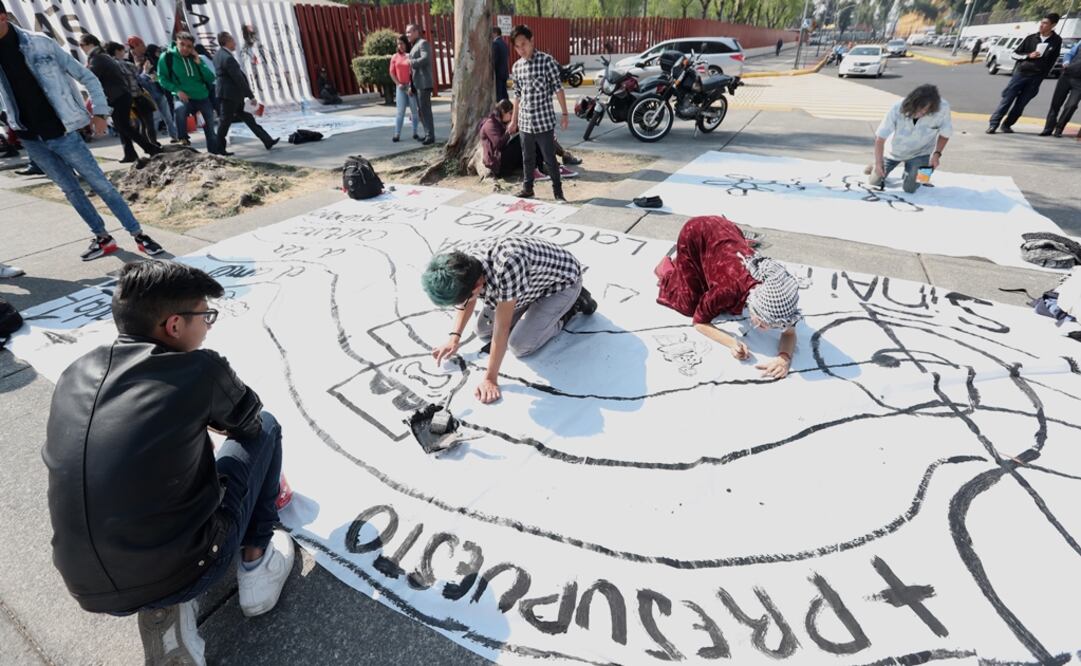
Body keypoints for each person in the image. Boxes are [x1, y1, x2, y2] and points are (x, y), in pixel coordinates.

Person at [43, 260, 294, 665]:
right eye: (205, 315)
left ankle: (163, 610)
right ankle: (257, 560)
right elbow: (248, 422)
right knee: (266, 430)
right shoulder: (199, 367)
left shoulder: (76, 371)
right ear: (174, 325)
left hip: (85, 584)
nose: (209, 325)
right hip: (190, 565)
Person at [0, 5, 165, 260]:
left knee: (101, 184)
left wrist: (100, 113)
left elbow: (86, 76)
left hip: (62, 131)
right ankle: (102, 237)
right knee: (71, 190)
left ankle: (138, 234)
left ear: (2, 17)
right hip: (30, 138)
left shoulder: (39, 43)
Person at [423, 236, 597, 404]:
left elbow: (502, 328)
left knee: (519, 345)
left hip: (561, 284)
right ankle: (535, 309)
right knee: (482, 330)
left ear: (476, 287)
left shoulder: (507, 266)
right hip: (530, 283)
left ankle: (573, 304)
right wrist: (454, 337)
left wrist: (490, 379)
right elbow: (470, 302)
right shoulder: (461, 265)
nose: (462, 305)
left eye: (465, 299)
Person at [655, 216, 801, 380]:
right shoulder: (728, 289)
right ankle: (668, 269)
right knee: (687, 304)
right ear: (754, 304)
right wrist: (731, 342)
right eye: (763, 323)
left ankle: (694, 263)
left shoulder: (781, 295)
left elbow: (789, 333)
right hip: (698, 231)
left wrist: (784, 358)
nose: (765, 329)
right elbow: (699, 322)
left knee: (706, 282)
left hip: (726, 233)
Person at [508, 25, 569, 202]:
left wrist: (565, 114)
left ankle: (558, 192)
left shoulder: (546, 61)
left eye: (524, 44)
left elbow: (558, 88)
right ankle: (528, 188)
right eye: (517, 47)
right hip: (525, 122)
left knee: (550, 159)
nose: (521, 49)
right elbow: (517, 95)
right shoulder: (517, 67)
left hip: (544, 121)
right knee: (527, 158)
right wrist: (513, 121)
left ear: (532, 40)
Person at [79, 35, 161, 163]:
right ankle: (130, 153)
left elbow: (89, 77)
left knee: (124, 126)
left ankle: (150, 148)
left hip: (118, 96)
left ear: (90, 44)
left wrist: (82, 71)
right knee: (122, 126)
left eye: (82, 45)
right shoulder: (101, 56)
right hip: (119, 96)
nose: (81, 48)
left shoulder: (97, 58)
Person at [987, 13, 1062, 134]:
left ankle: (1007, 124)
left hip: (1036, 78)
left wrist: (1043, 74)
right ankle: (993, 124)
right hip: (1021, 74)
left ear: (1053, 25)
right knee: (1007, 100)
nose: (1041, 25)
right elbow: (1014, 54)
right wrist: (1028, 55)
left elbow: (1053, 59)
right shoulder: (1031, 38)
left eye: (1045, 23)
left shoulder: (1056, 41)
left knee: (1021, 104)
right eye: (1041, 22)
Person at [869, 84, 951, 194]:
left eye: (925, 112)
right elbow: (880, 138)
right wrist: (879, 162)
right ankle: (874, 165)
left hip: (921, 152)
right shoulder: (898, 107)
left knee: (911, 188)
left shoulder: (943, 108)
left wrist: (936, 155)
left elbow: (945, 134)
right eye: (918, 110)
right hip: (893, 151)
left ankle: (917, 174)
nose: (920, 114)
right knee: (874, 182)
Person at [478, 99, 579, 180]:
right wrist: (509, 132)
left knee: (535, 134)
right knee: (523, 137)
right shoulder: (491, 123)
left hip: (506, 159)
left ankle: (548, 167)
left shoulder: (501, 121)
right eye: (511, 113)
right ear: (503, 112)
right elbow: (498, 144)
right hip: (499, 165)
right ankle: (537, 169)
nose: (512, 117)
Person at [158, 32, 224, 154]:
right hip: (183, 97)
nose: (185, 48)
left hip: (202, 97)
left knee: (210, 129)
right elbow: (162, 78)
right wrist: (177, 90)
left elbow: (210, 78)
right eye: (182, 44)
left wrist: (199, 62)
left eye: (189, 46)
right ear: (176, 43)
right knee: (180, 110)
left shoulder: (196, 58)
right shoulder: (167, 57)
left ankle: (215, 154)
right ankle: (182, 139)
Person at [214, 31, 278, 151]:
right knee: (224, 123)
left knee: (249, 119)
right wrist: (250, 96)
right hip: (229, 96)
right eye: (233, 41)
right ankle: (219, 149)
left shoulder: (218, 54)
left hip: (233, 95)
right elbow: (238, 78)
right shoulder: (227, 58)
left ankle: (267, 140)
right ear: (227, 42)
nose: (235, 43)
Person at [106, 41, 160, 153]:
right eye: (123, 51)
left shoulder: (109, 64)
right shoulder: (124, 64)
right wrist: (143, 69)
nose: (125, 53)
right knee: (148, 123)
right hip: (137, 96)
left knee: (140, 124)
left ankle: (148, 147)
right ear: (117, 51)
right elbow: (139, 78)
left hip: (124, 99)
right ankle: (153, 145)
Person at [1041, 39, 1081, 137]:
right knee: (1056, 103)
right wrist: (1066, 62)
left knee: (1072, 105)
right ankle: (1048, 128)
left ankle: (1059, 128)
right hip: (1066, 75)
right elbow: (1070, 54)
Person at [142, 43, 178, 142]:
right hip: (154, 93)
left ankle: (173, 136)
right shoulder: (149, 62)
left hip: (159, 92)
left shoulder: (156, 61)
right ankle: (155, 139)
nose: (158, 53)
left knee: (166, 116)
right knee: (160, 117)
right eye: (157, 51)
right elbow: (142, 77)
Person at [406, 23, 435, 145]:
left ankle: (430, 135)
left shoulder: (422, 43)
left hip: (424, 83)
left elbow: (426, 58)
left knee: (425, 110)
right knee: (421, 111)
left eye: (409, 32)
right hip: (417, 83)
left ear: (417, 32)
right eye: (406, 32)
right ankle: (427, 133)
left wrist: (411, 61)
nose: (407, 34)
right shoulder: (414, 45)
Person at [389, 34, 419, 143]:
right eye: (398, 44)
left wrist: (411, 86)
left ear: (406, 44)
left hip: (411, 87)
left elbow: (414, 73)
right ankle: (397, 134)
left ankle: (415, 132)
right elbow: (392, 73)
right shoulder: (394, 57)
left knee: (414, 111)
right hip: (400, 87)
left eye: (401, 43)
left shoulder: (410, 56)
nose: (400, 46)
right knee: (400, 112)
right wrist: (398, 84)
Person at [492, 26, 510, 102]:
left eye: (491, 33)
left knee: (499, 95)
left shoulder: (495, 44)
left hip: (498, 73)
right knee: (504, 93)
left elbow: (495, 60)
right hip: (504, 72)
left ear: (495, 33)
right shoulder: (504, 43)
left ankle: (502, 111)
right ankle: (508, 109)